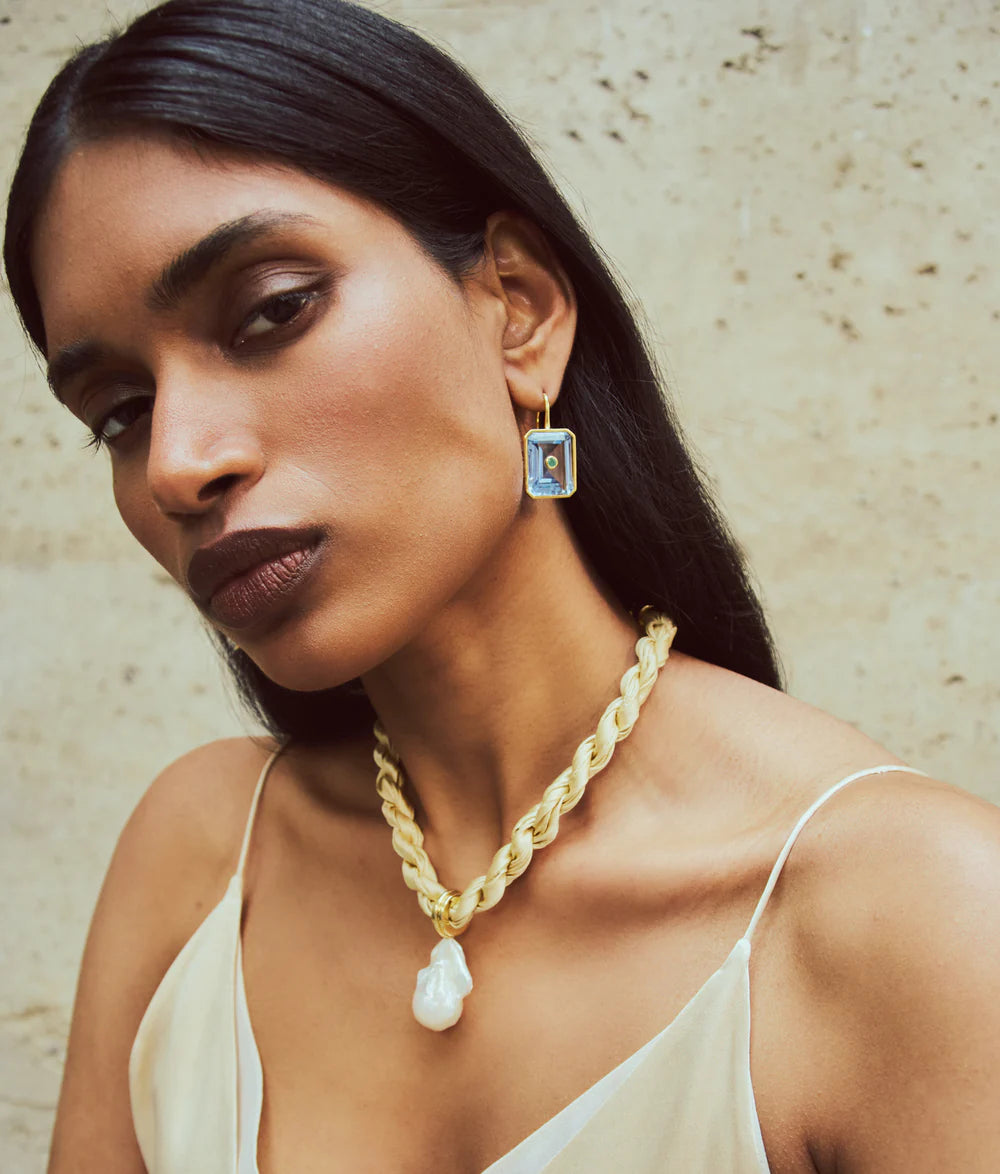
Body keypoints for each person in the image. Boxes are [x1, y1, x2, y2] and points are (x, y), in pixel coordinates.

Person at [5, 0, 1000, 1170]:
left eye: (273, 312)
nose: (178, 463)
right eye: (120, 413)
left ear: (518, 313)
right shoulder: (201, 859)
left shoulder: (912, 919)